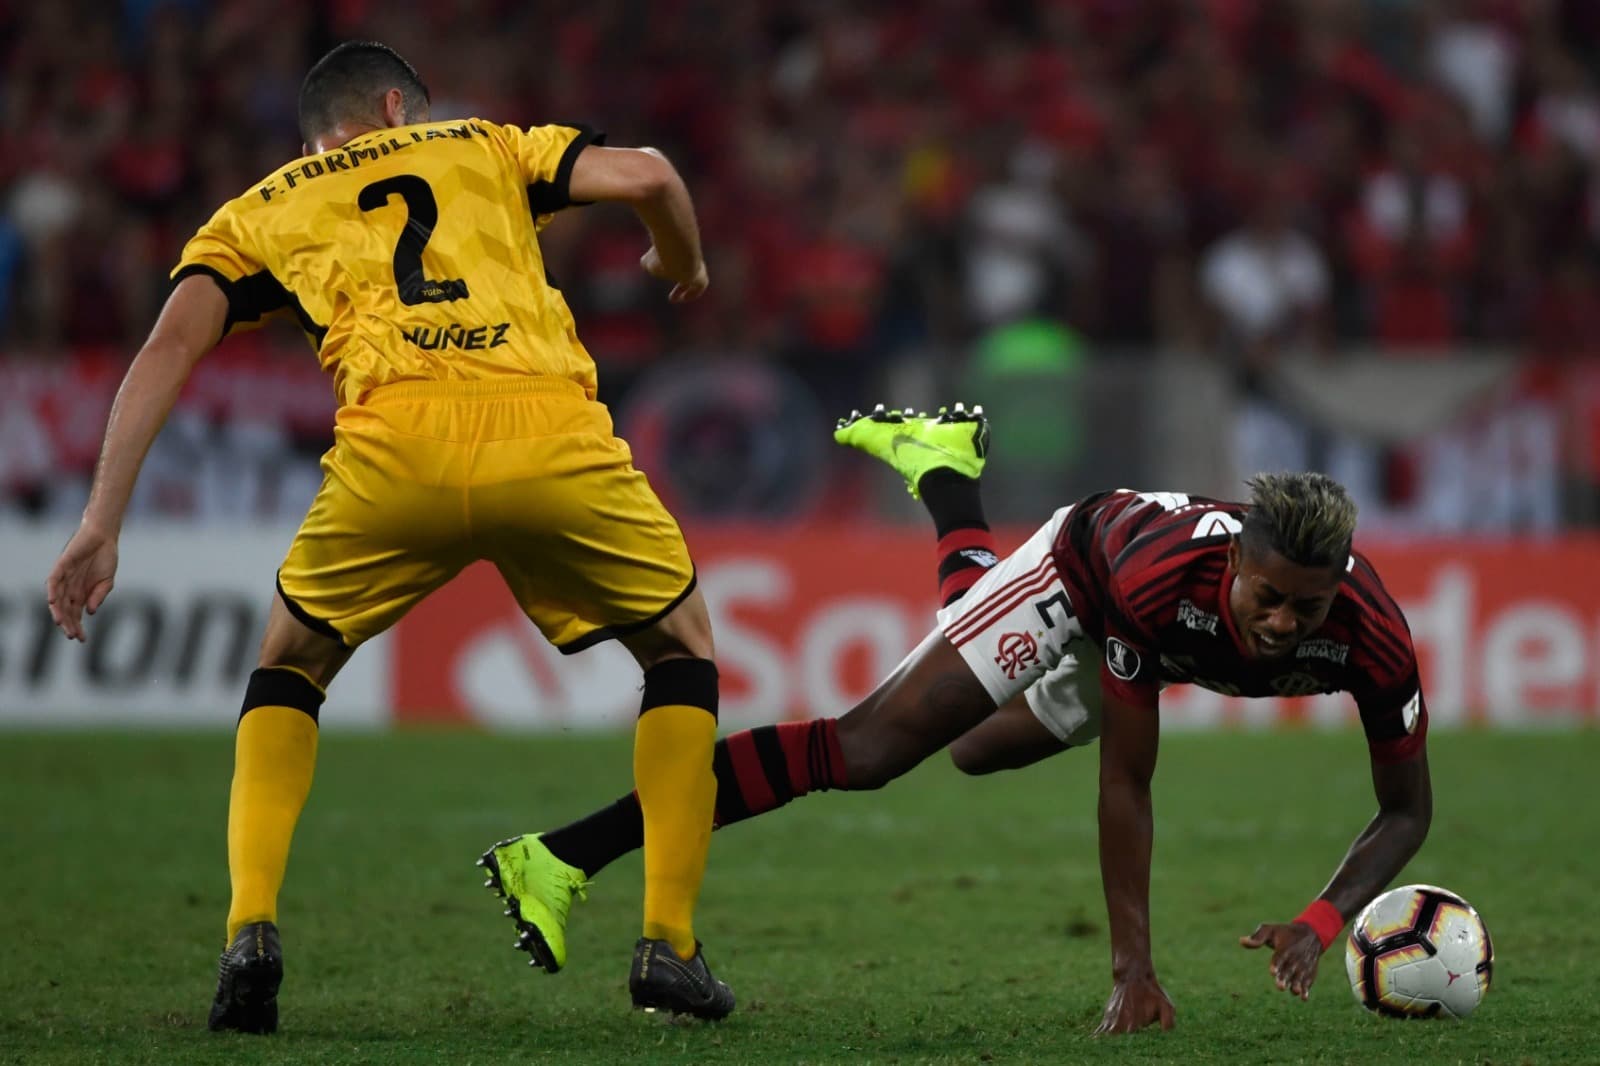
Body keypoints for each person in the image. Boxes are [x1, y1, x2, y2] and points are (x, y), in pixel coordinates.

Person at [44, 41, 734, 1031]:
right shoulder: (488, 144)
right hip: (549, 439)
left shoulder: (262, 206)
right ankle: (667, 945)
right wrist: (682, 257)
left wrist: (100, 520)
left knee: (287, 668)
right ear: (395, 107)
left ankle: (250, 933)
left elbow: (167, 347)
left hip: (392, 453)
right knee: (682, 652)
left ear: (320, 131)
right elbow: (653, 174)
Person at [485, 404, 1433, 1035]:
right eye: (1268, 597)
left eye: (1304, 612)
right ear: (1236, 568)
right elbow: (1128, 783)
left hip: (1154, 639)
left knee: (978, 751)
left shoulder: (1375, 640)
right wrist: (1130, 971)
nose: (1282, 624)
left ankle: (943, 466)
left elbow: (1406, 810)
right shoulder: (1166, 582)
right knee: (868, 751)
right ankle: (564, 855)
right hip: (1085, 571)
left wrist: (1321, 917)